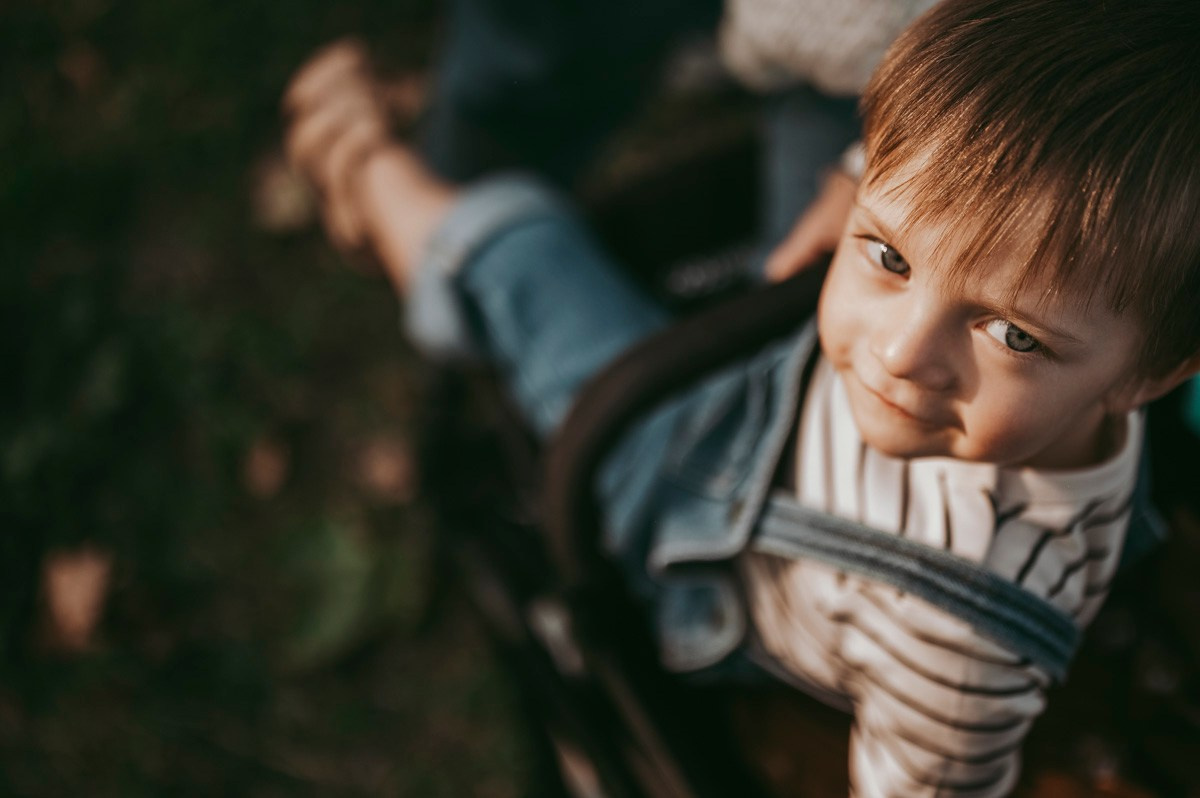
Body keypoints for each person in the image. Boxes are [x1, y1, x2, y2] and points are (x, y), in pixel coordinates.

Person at [283, 0, 1200, 793]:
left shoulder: (962, 649)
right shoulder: (1069, 351)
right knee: (820, 97)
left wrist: (892, 242)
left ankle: (366, 172)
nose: (898, 351)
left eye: (1012, 334)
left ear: (1152, 378)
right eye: (889, 254)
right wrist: (854, 175)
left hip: (708, 525)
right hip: (793, 406)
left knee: (520, 246)